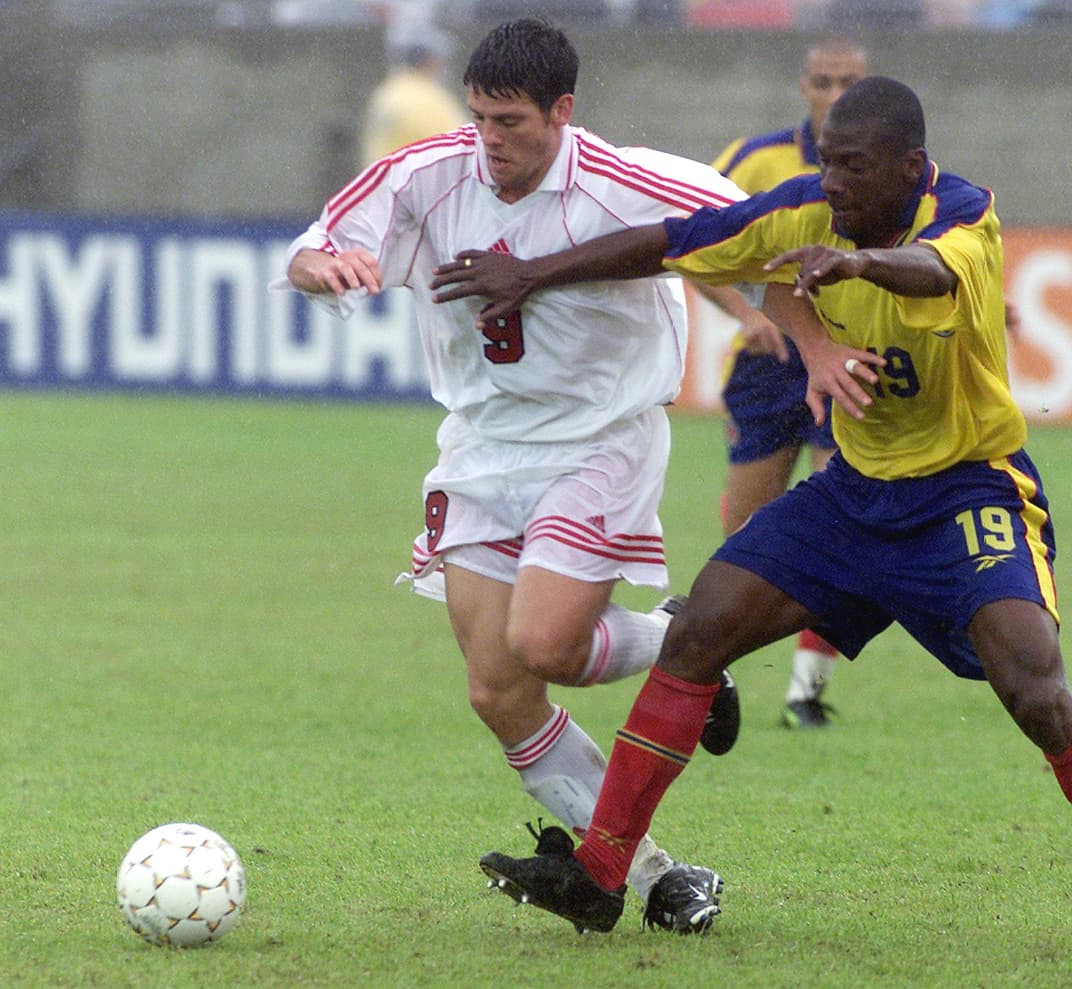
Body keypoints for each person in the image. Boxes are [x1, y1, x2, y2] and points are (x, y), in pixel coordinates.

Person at [435, 76, 1072, 952]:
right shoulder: (804, 210)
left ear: (909, 167)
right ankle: (602, 872)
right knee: (698, 631)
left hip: (966, 490)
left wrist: (857, 264)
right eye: (826, 162)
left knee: (1036, 689)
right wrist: (531, 272)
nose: (832, 180)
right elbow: (670, 240)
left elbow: (930, 273)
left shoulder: (963, 215)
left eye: (852, 166)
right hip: (850, 496)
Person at [280, 17, 745, 935]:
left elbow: (738, 227)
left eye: (513, 123)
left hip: (598, 439)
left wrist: (789, 321)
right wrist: (323, 269)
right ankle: (653, 872)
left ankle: (685, 648)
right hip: (483, 446)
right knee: (498, 687)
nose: (491, 140)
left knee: (544, 642)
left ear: (562, 113)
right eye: (481, 117)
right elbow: (310, 248)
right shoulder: (428, 172)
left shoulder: (617, 178)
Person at [698, 38, 867, 730]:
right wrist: (745, 312)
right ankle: (710, 662)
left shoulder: (890, 170)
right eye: (824, 82)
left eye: (848, 83)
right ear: (804, 87)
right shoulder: (758, 158)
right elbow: (691, 244)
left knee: (843, 521)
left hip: (846, 361)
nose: (835, 95)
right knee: (748, 530)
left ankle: (805, 691)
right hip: (770, 363)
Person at [360, 16, 468, 165]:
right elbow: (460, 151)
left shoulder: (388, 91)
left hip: (383, 181)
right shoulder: (428, 99)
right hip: (417, 183)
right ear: (429, 60)